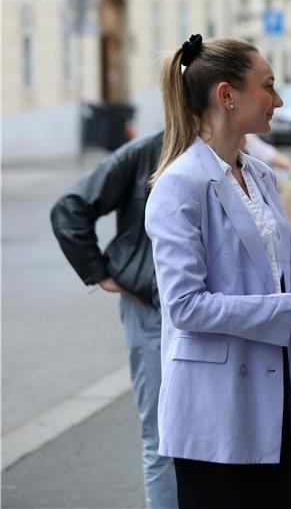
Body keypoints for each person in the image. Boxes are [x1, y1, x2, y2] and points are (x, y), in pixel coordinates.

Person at [145, 34, 291, 508]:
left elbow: (271, 283)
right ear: (227, 95)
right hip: (214, 408)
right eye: (268, 86)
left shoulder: (260, 175)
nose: (279, 99)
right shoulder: (179, 185)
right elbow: (185, 306)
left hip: (270, 399)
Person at [50, 130, 178, 509]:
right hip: (149, 309)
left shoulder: (235, 152)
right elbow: (70, 208)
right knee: (161, 437)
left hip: (206, 315)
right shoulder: (145, 152)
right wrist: (101, 273)